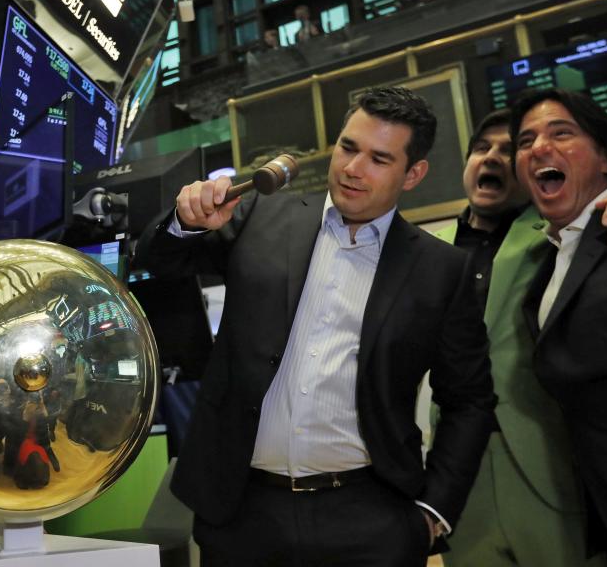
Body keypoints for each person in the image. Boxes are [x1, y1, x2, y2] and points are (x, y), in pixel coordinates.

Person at [134, 86, 496, 566]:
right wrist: (185, 219)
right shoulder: (259, 216)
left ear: (414, 174)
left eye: (379, 159)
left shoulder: (440, 270)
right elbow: (157, 262)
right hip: (242, 511)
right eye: (348, 147)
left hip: (371, 515)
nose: (352, 168)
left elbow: (469, 399)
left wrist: (434, 510)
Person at [435, 109, 605, 566]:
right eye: (480, 149)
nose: (491, 158)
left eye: (507, 150)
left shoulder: (569, 230)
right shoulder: (427, 251)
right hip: (459, 481)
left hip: (551, 467)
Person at [512, 88, 607, 558]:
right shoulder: (549, 265)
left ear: (606, 157)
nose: (538, 148)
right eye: (526, 139)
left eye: (562, 133)